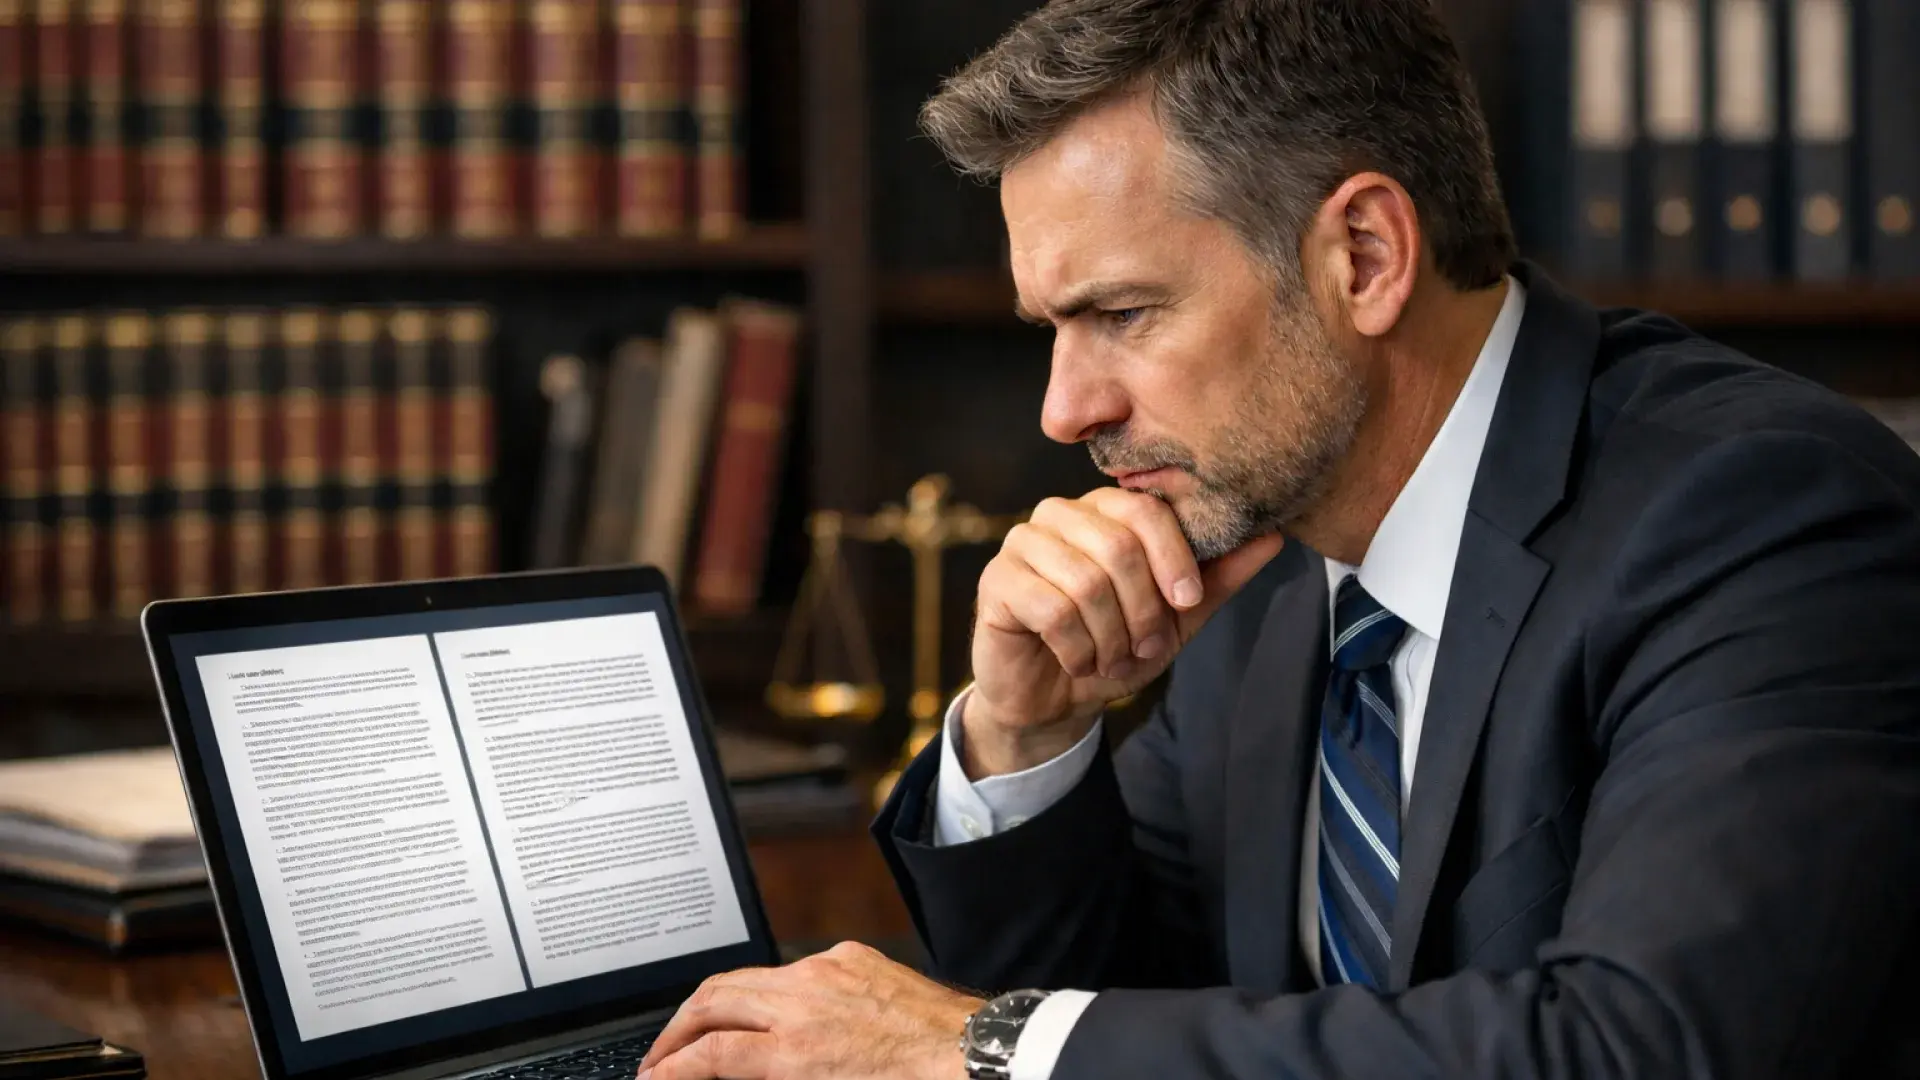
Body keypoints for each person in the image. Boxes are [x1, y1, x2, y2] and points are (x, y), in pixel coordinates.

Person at [636, 1, 1920, 1077]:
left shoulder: (1765, 510)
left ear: (1363, 255)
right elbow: (1146, 1011)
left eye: (1123, 313)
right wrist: (1028, 736)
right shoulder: (1263, 558)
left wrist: (976, 1050)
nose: (1065, 409)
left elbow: (1640, 1048)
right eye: (1050, 330)